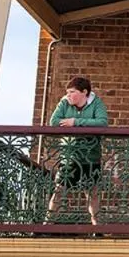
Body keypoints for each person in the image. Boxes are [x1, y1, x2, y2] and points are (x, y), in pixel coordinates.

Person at [45, 76, 109, 226]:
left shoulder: (96, 103)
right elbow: (54, 122)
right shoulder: (64, 102)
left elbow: (102, 123)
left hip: (91, 157)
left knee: (92, 193)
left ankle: (96, 227)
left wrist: (75, 122)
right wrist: (85, 126)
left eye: (72, 92)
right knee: (59, 190)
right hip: (69, 156)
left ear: (84, 92)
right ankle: (47, 224)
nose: (68, 95)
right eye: (67, 92)